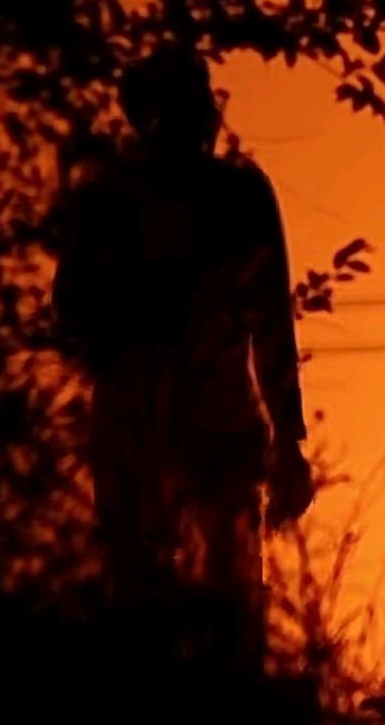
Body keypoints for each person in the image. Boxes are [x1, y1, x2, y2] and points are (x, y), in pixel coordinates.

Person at [54, 48, 313, 670]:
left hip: (153, 427)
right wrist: (287, 440)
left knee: (160, 607)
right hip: (194, 429)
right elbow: (270, 322)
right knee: (212, 616)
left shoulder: (107, 198)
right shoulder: (234, 195)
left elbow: (71, 310)